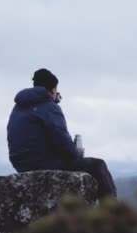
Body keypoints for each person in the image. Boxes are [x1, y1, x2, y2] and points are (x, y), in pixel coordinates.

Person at [7, 68, 117, 198]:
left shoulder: (19, 107)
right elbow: (63, 143)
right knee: (98, 165)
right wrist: (77, 154)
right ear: (53, 89)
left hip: (21, 165)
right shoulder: (49, 106)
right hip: (43, 164)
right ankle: (112, 213)